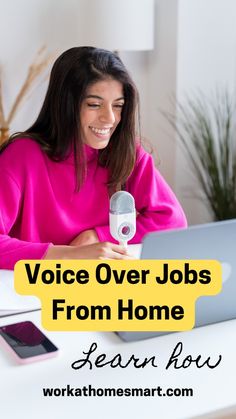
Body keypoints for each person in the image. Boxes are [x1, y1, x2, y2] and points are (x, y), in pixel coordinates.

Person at [0, 46, 187, 270]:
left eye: (118, 106)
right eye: (94, 105)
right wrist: (70, 255)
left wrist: (98, 236)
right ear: (66, 105)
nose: (109, 118)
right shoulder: (21, 156)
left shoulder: (127, 152)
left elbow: (172, 220)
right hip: (32, 294)